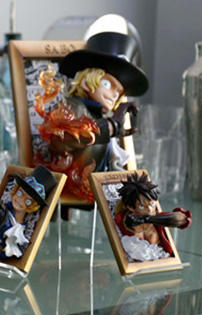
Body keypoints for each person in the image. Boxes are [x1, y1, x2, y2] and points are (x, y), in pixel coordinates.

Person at [34, 32, 148, 201]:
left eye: (118, 92)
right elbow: (62, 138)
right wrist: (110, 127)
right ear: (86, 81)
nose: (113, 94)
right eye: (107, 84)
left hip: (96, 188)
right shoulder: (73, 106)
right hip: (71, 187)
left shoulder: (99, 114)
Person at [113, 173, 191, 261]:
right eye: (142, 206)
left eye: (152, 204)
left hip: (160, 262)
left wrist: (150, 219)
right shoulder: (125, 220)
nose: (150, 210)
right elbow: (130, 223)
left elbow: (183, 219)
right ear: (131, 207)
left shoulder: (157, 218)